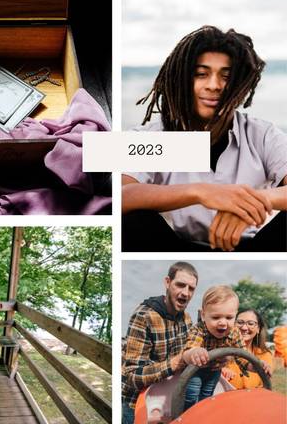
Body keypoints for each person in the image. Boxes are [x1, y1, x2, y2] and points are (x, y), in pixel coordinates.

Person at [123, 26, 287, 251]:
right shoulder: (152, 136)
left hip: (252, 247)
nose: (214, 85)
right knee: (130, 220)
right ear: (181, 78)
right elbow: (122, 194)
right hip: (173, 245)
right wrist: (202, 192)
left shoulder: (263, 134)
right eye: (201, 74)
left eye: (226, 77)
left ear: (241, 84)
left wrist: (250, 201)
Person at [121, 262, 197, 424]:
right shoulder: (144, 316)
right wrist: (175, 363)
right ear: (167, 282)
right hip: (136, 403)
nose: (185, 293)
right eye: (180, 285)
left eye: (191, 288)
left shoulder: (187, 319)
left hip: (167, 400)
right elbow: (131, 376)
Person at [180, 285, 251, 411]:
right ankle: (187, 415)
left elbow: (242, 355)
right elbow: (191, 346)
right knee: (191, 395)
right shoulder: (199, 330)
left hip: (214, 371)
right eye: (216, 317)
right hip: (195, 370)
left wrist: (256, 365)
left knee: (207, 396)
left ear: (235, 315)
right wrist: (195, 351)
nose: (223, 322)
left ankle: (202, 416)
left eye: (229, 317)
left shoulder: (234, 332)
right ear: (203, 315)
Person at [226, 308, 275, 390]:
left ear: (258, 328)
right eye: (240, 322)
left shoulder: (265, 355)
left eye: (251, 324)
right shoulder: (222, 351)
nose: (244, 328)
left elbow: (264, 387)